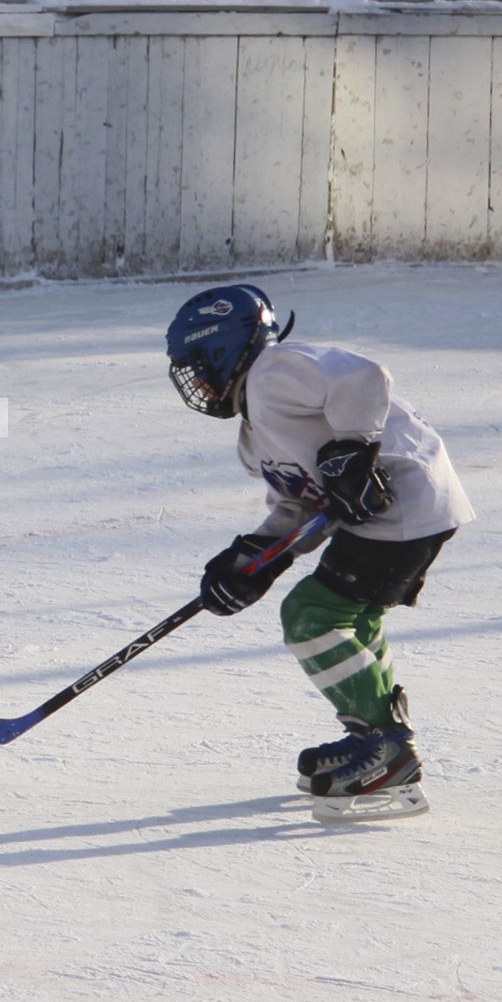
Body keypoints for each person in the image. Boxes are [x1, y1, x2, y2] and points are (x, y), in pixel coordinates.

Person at [165, 284, 473, 820]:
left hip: (406, 500)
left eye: (197, 365)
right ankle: (377, 739)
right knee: (355, 619)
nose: (195, 383)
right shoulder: (254, 435)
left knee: (311, 615)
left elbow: (364, 377)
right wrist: (255, 556)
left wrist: (354, 448)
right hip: (405, 511)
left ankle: (385, 747)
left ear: (222, 348)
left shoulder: (274, 371)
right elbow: (300, 502)